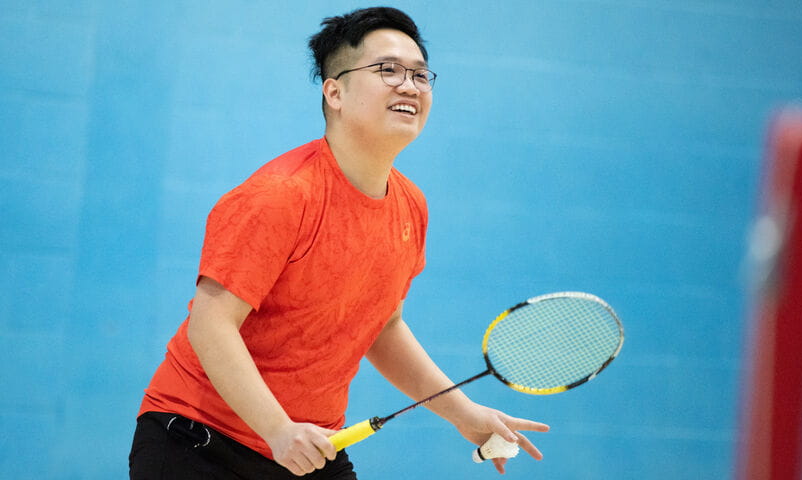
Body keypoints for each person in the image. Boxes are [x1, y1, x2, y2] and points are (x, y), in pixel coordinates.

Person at [129, 6, 549, 479]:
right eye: (387, 70)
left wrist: (464, 414)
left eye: (420, 74)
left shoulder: (411, 206)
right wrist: (277, 429)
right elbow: (211, 324)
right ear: (335, 92)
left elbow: (383, 329)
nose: (409, 85)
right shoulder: (281, 195)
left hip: (309, 446)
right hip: (199, 442)